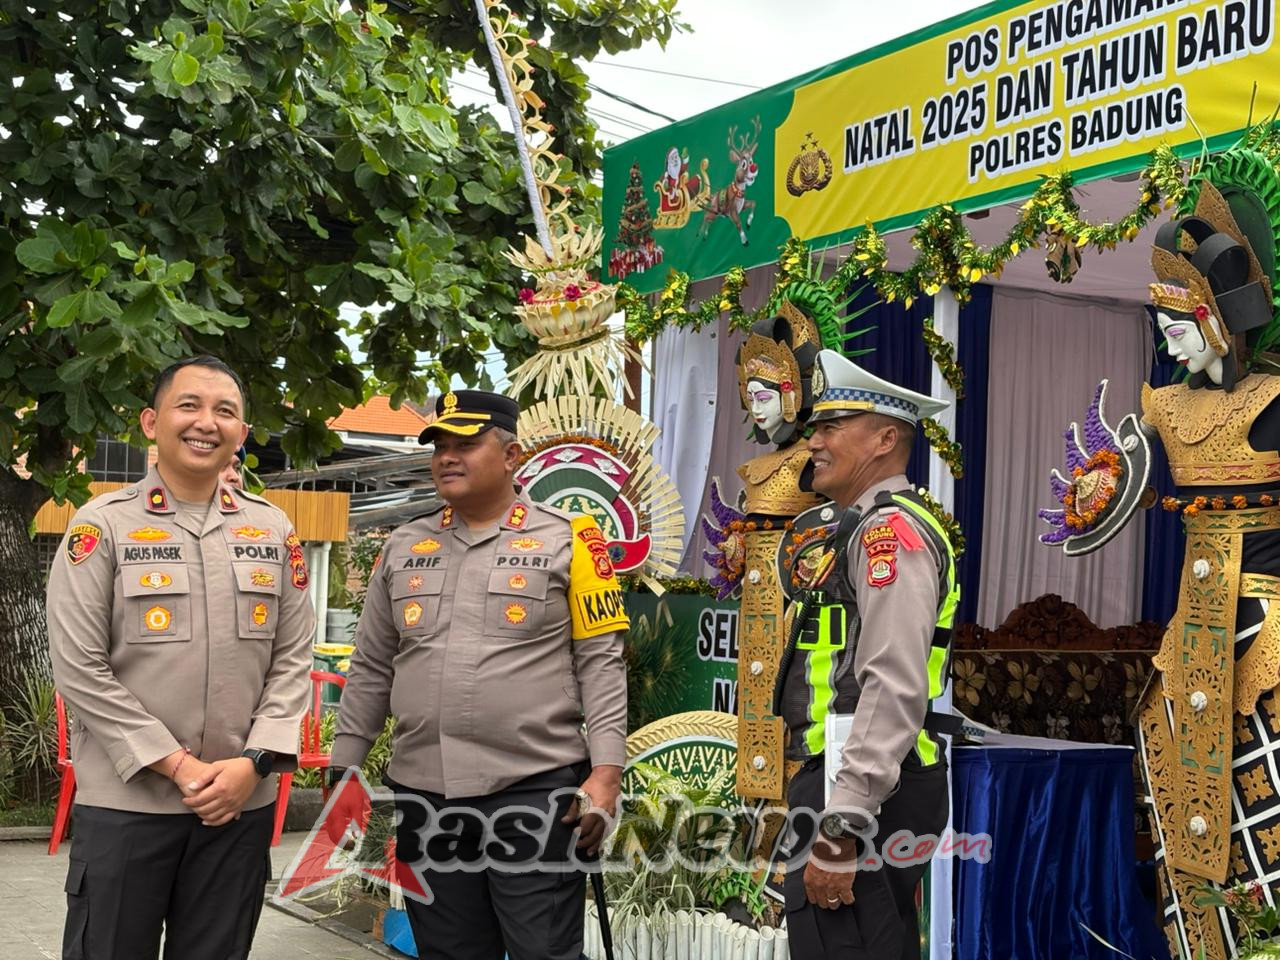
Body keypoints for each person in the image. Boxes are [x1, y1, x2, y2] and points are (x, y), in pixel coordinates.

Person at [328, 389, 629, 960]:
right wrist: (346, 766)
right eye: (439, 445)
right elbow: (370, 665)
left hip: (534, 789)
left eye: (465, 443)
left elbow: (602, 662)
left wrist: (607, 774)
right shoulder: (403, 545)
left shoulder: (573, 541)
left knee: (543, 952)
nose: (447, 456)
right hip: (425, 793)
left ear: (512, 455)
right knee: (448, 951)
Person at [47, 355, 315, 960]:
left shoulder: (274, 531)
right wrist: (178, 766)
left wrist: (254, 763)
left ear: (242, 434)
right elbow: (78, 666)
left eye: (226, 412)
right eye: (188, 405)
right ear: (151, 421)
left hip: (237, 807)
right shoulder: (102, 527)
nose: (206, 423)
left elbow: (292, 658)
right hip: (127, 806)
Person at [776, 349, 957, 960]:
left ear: (885, 438)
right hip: (864, 782)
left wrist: (842, 822)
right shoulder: (863, 526)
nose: (814, 442)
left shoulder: (888, 534)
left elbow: (891, 684)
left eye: (832, 427)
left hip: (867, 790)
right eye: (815, 428)